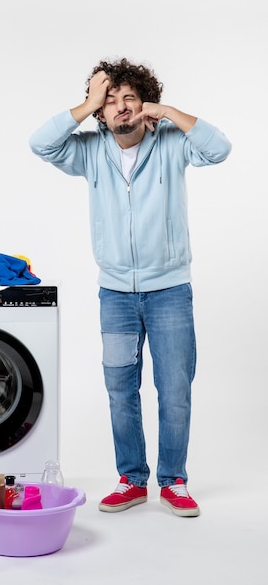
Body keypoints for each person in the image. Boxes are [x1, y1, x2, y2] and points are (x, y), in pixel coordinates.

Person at [29, 58, 232, 517]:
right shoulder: (88, 151)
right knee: (121, 389)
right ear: (101, 111)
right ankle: (132, 480)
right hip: (116, 295)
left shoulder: (173, 144)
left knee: (174, 388)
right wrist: (86, 105)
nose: (121, 108)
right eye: (111, 101)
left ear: (145, 104)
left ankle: (174, 481)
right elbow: (40, 144)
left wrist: (171, 111)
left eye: (130, 99)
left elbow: (219, 149)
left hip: (170, 292)